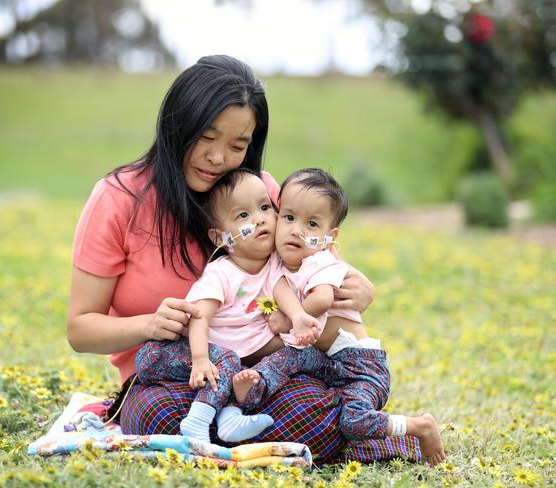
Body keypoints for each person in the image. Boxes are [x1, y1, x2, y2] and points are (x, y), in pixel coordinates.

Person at [66, 55, 416, 463]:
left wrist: (357, 289)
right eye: (206, 137)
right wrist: (150, 325)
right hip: (175, 379)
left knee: (309, 408)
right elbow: (80, 329)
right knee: (157, 416)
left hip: (262, 377)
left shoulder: (260, 193)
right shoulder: (118, 199)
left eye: (237, 145)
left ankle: (312, 431)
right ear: (176, 124)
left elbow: (320, 268)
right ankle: (343, 440)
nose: (217, 158)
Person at [234, 168, 446, 466]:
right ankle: (253, 387)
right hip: (325, 360)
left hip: (359, 364)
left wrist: (291, 319)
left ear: (328, 237)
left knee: (352, 422)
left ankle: (418, 427)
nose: (296, 230)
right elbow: (271, 288)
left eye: (311, 224)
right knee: (289, 359)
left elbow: (322, 299)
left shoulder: (321, 261)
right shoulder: (280, 265)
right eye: (289, 217)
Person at [134, 169, 323, 444]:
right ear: (220, 237)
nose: (259, 219)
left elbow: (282, 288)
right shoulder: (221, 273)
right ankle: (197, 421)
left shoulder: (275, 265)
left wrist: (298, 317)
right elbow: (198, 317)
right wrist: (200, 359)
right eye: (243, 216)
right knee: (228, 362)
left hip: (231, 363)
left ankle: (229, 416)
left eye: (265, 207)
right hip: (173, 355)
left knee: (292, 359)